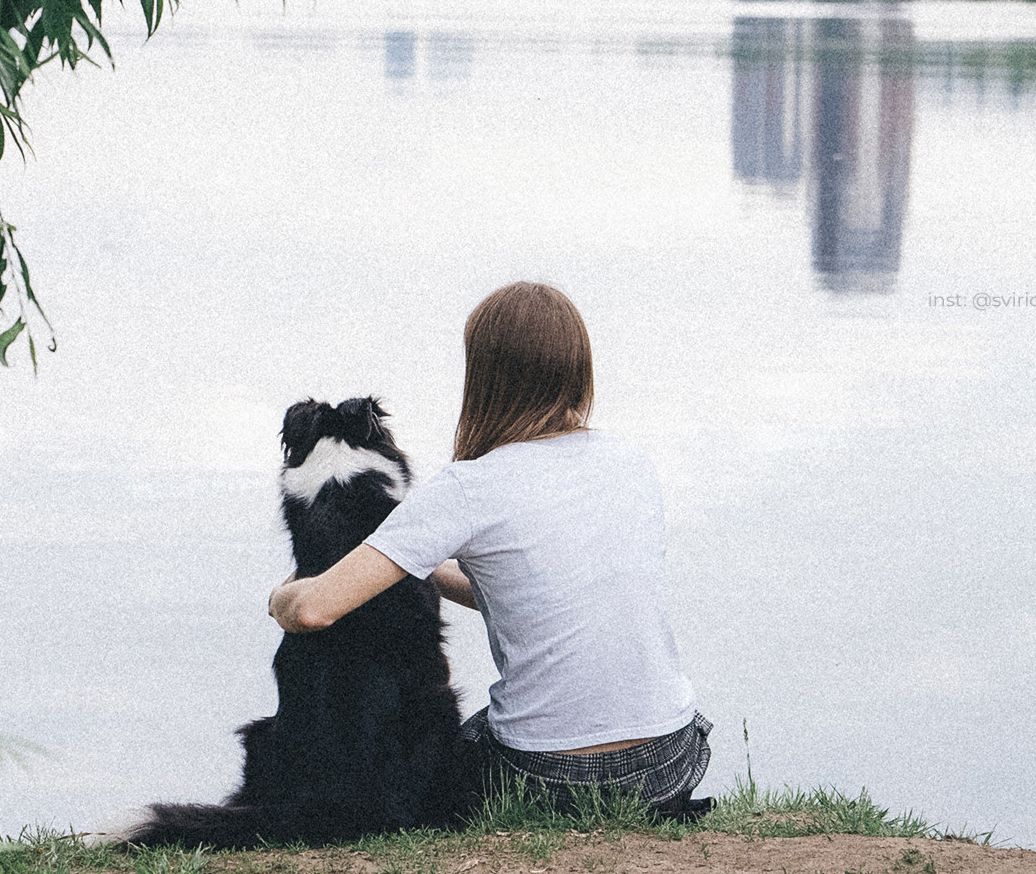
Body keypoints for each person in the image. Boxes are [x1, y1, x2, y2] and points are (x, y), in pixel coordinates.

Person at [266, 281, 711, 817]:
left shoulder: (470, 487)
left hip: (549, 777)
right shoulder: (632, 463)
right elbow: (540, 595)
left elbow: (315, 610)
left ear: (483, 378)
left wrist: (283, 598)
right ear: (578, 369)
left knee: (424, 757)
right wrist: (413, 567)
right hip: (669, 756)